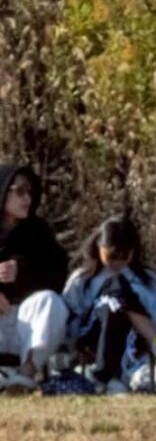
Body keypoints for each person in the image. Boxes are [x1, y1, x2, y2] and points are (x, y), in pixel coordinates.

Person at [63, 216, 156, 394]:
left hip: (136, 340)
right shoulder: (82, 280)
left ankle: (113, 372)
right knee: (114, 291)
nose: (118, 263)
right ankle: (106, 371)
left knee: (119, 291)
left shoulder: (147, 280)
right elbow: (70, 322)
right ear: (99, 247)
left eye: (125, 257)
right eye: (112, 256)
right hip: (93, 339)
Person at [0, 164, 69, 391]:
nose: (27, 198)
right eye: (20, 191)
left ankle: (25, 374)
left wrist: (22, 273)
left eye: (30, 192)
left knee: (51, 302)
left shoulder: (38, 232)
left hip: (24, 321)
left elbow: (58, 275)